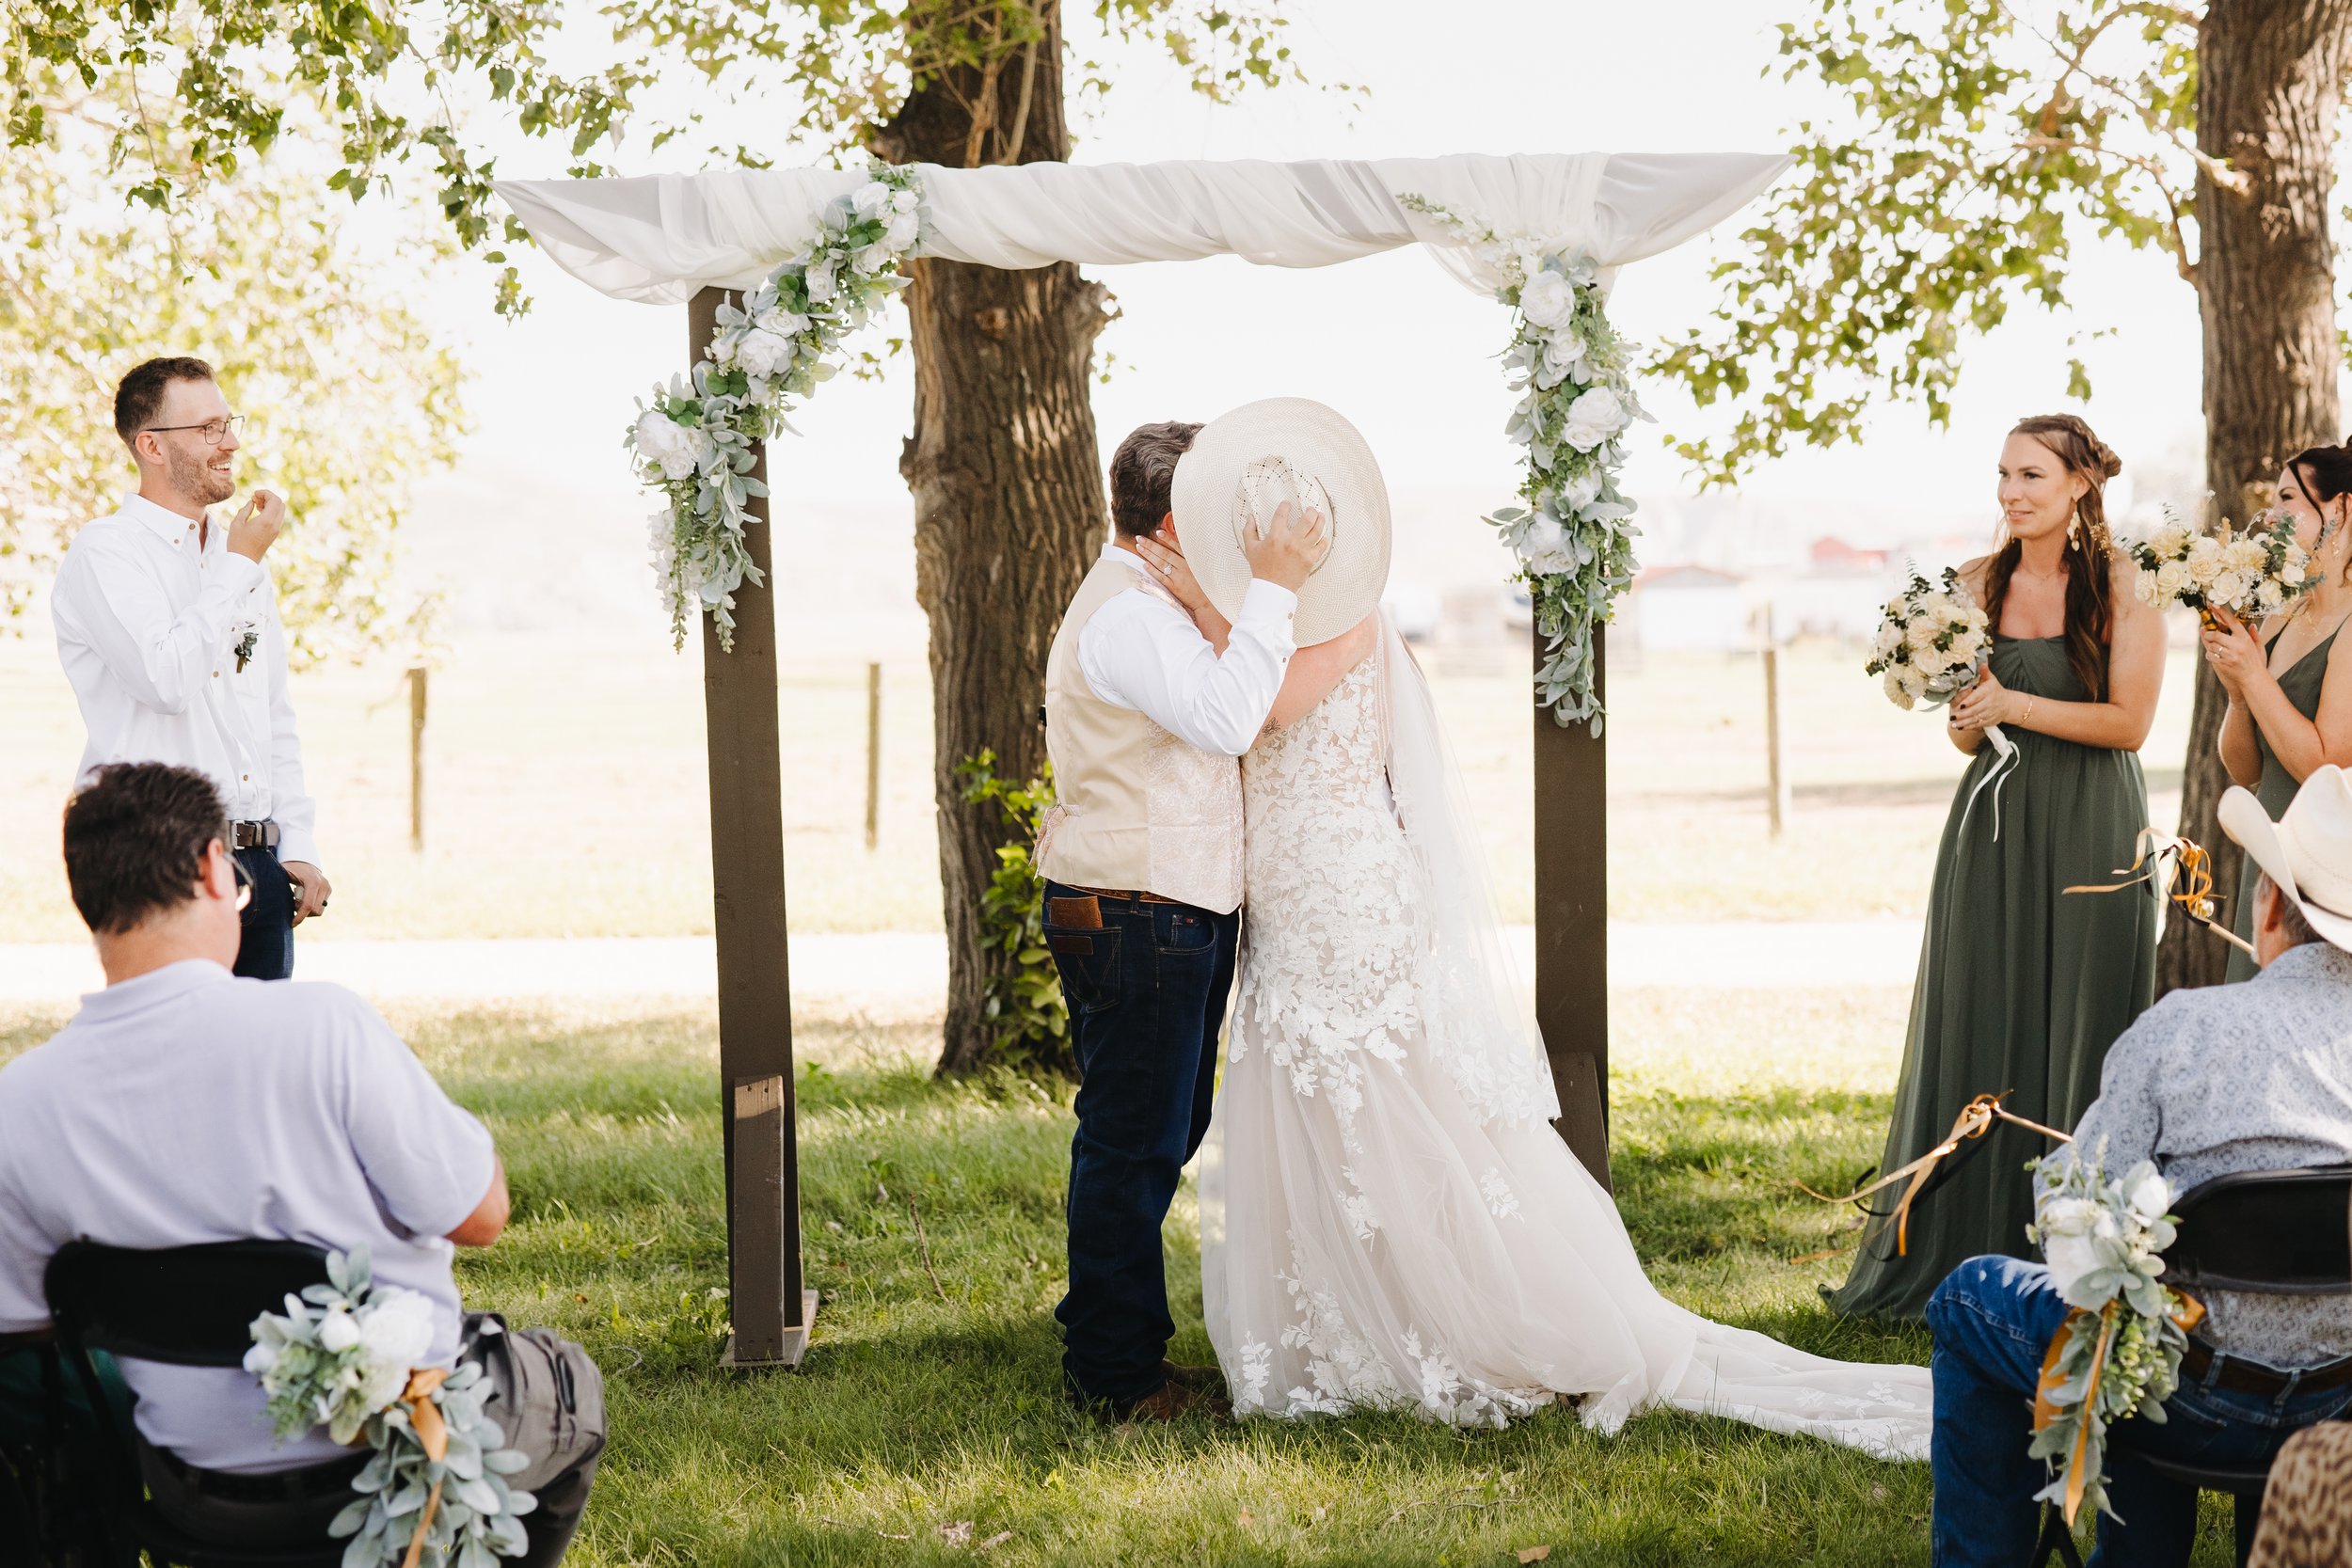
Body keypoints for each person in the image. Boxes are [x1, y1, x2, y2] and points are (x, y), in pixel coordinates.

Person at [1135, 397, 1931, 1455]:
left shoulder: (1344, 620)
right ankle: (1344, 1311)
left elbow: (1273, 715)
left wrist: (1258, 597)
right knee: (1317, 1099)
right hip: (1285, 890)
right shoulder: (1250, 624)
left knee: (1387, 1095)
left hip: (1345, 886)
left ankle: (1455, 1313)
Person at [0, 764, 602, 1562]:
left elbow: (24, 1326)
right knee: (564, 1382)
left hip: (194, 1494)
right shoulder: (323, 1026)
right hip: (388, 1460)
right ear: (217, 868)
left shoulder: (24, 1099)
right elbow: (482, 1213)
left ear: (87, 898)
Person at [1924, 764, 2352, 1568]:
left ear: (2267, 905)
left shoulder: (2182, 1028)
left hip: (2184, 1394)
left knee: (1972, 1297)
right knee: (2151, 1319)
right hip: (2338, 1399)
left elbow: (2071, 1210)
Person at [1828, 414, 2164, 1320]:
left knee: (2087, 1019)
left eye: (2032, 476)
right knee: (1985, 1004)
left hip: (2097, 823)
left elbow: (2131, 724)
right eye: (2004, 476)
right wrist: (1968, 697)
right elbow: (1964, 734)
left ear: (2080, 484)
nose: (2012, 492)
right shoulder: (1975, 583)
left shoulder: (2128, 585)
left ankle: (2089, 1255)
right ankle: (1958, 1244)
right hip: (1995, 828)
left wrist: (2015, 696)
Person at [1035, 419, 1328, 1420]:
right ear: (1174, 520)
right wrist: (1275, 591)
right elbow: (1224, 718)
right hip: (1134, 906)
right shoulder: (1129, 615)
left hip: (1166, 905)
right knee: (1132, 1139)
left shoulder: (1155, 601)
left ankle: (1115, 1341)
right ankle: (1116, 1376)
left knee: (1159, 1128)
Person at [52, 356, 329, 981]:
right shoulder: (107, 552)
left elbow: (271, 717)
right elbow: (167, 680)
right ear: (150, 445)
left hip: (260, 865)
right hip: (158, 861)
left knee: (258, 1066)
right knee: (173, 1067)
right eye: (208, 428)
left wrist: (298, 845)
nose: (230, 441)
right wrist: (240, 566)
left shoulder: (235, 560)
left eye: (228, 423)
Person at [2202, 444, 2352, 980]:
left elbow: (2322, 766)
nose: (2271, 515)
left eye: (2290, 497)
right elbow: (2247, 771)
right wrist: (2240, 692)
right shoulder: (2283, 613)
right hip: (2269, 850)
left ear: (2341, 509)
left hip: (2328, 867)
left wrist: (2255, 676)